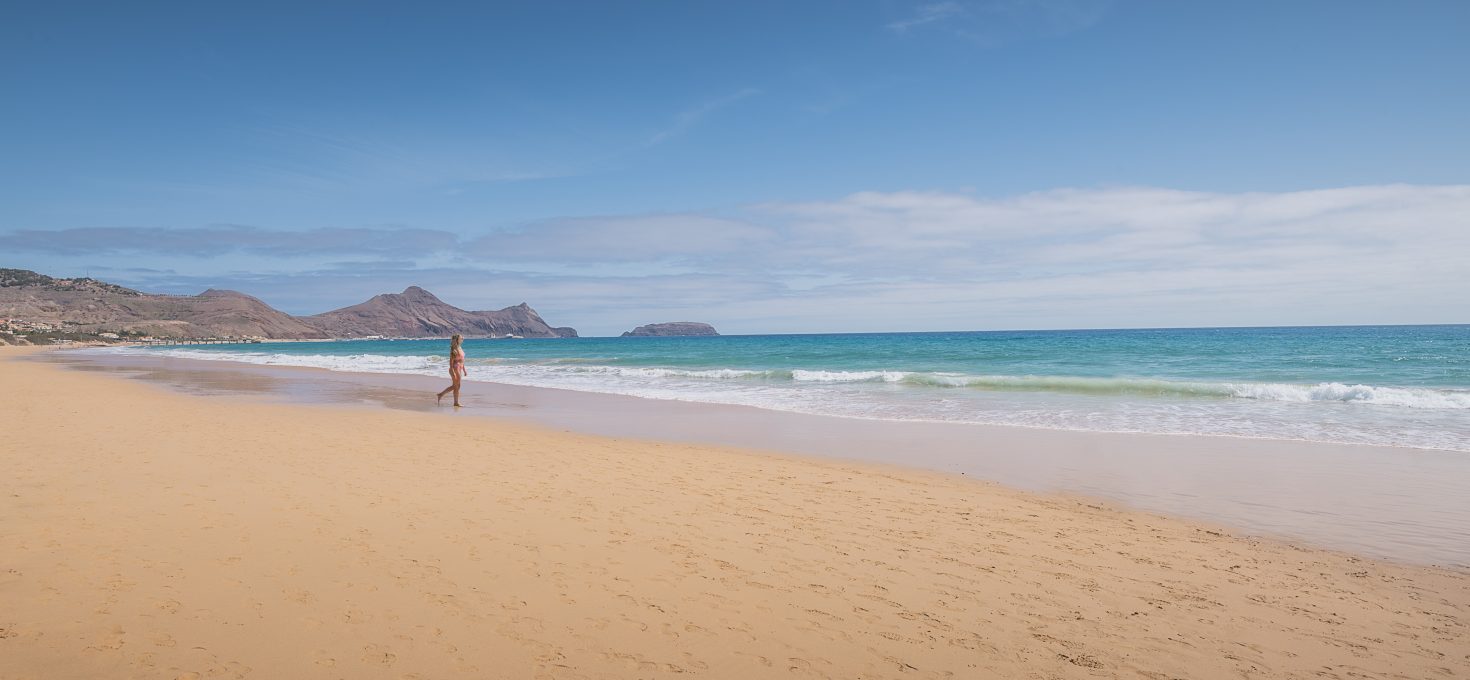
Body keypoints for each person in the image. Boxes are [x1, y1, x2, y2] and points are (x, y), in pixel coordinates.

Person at [437, 334, 467, 407]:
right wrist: (452, 371)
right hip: (455, 368)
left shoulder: (460, 347)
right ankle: (443, 395)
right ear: (457, 340)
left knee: (456, 386)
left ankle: (453, 401)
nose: (463, 339)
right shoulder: (454, 350)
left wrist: (464, 370)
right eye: (461, 338)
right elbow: (451, 362)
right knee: (456, 386)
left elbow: (462, 360)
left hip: (459, 368)